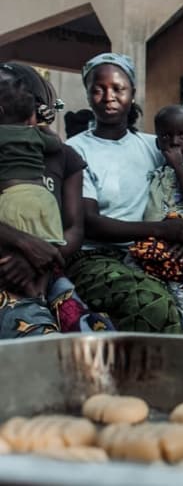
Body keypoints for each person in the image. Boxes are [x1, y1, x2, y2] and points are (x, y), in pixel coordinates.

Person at [64, 53, 183, 335]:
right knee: (153, 302)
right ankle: (167, 365)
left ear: (132, 92)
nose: (109, 96)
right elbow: (89, 222)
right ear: (87, 94)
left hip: (156, 252)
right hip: (95, 257)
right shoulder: (76, 149)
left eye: (118, 88)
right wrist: (162, 230)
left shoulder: (158, 145)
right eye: (98, 89)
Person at [0, 62, 113, 336]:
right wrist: (25, 245)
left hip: (46, 266)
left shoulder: (65, 156)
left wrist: (39, 258)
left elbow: (74, 230)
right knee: (35, 330)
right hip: (6, 264)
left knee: (90, 337)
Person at [128, 105, 183, 336]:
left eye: (182, 136)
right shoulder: (157, 171)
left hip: (182, 247)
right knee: (140, 279)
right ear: (158, 142)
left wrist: (179, 168)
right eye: (167, 136)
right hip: (154, 242)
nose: (175, 142)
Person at [0, 75, 65, 297]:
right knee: (47, 246)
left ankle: (27, 292)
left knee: (11, 251)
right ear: (31, 116)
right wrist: (43, 125)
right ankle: (40, 291)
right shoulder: (36, 134)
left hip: (13, 198)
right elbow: (57, 144)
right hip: (44, 200)